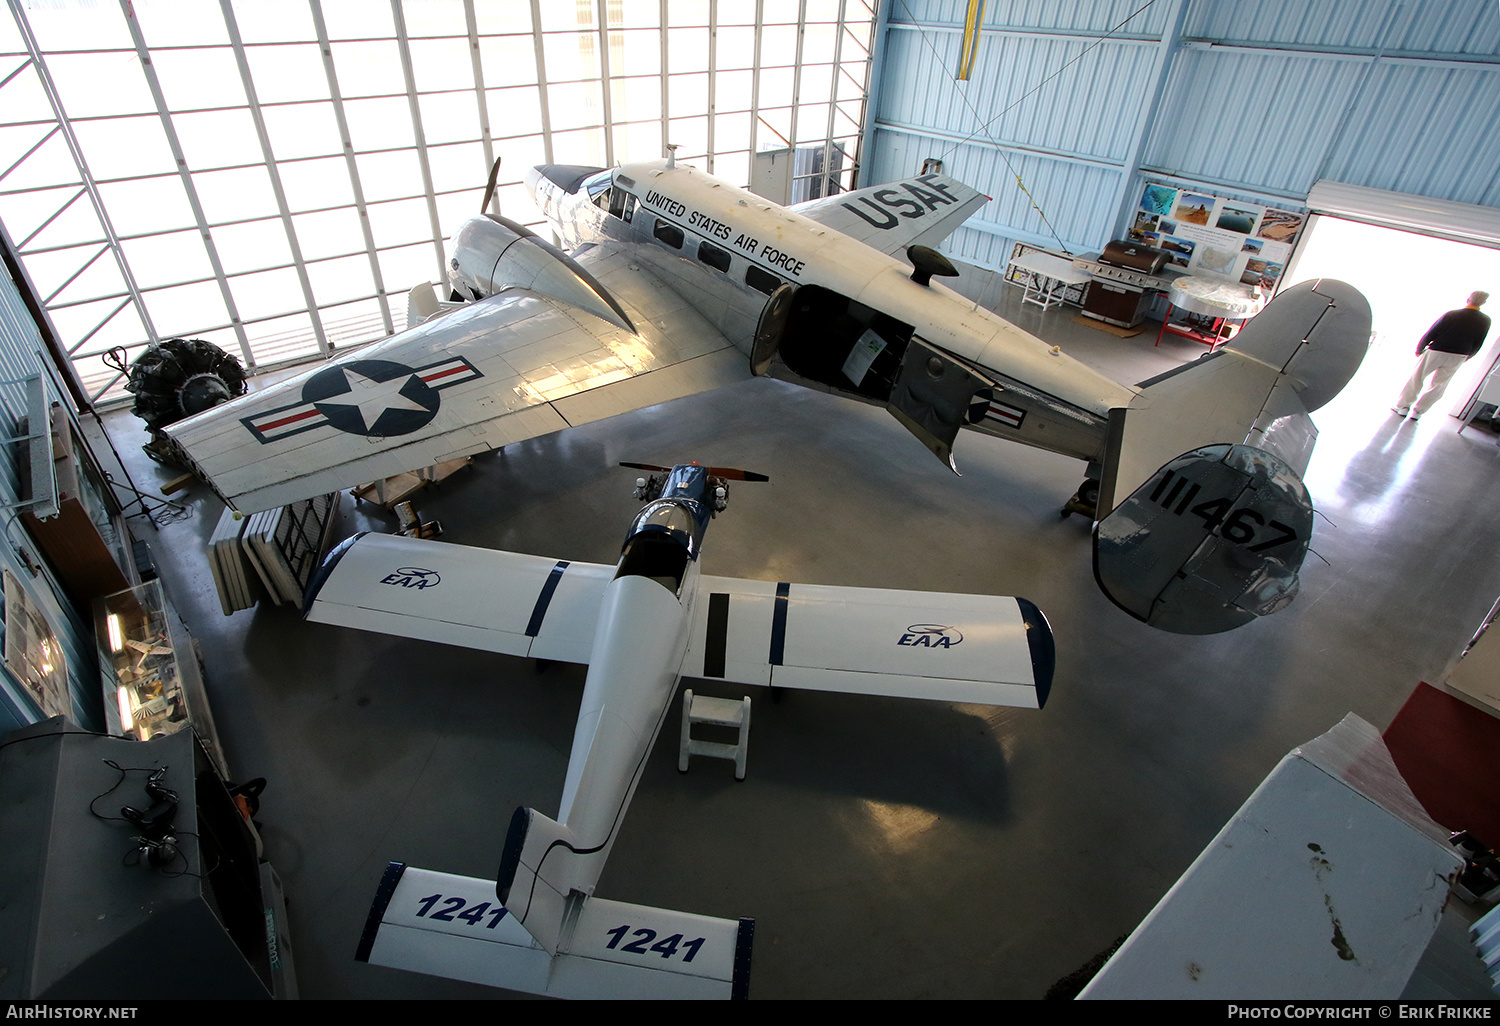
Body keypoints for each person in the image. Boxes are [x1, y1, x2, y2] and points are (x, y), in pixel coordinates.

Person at [1393, 291, 1492, 420]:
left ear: (1468, 299)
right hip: (1459, 355)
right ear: (1483, 303)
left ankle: (1403, 407)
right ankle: (1419, 411)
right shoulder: (1485, 320)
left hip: (1437, 350)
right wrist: (1469, 355)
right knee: (1439, 385)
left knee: (1417, 378)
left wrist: (1420, 347)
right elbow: (1479, 341)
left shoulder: (1452, 314)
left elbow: (1433, 331)